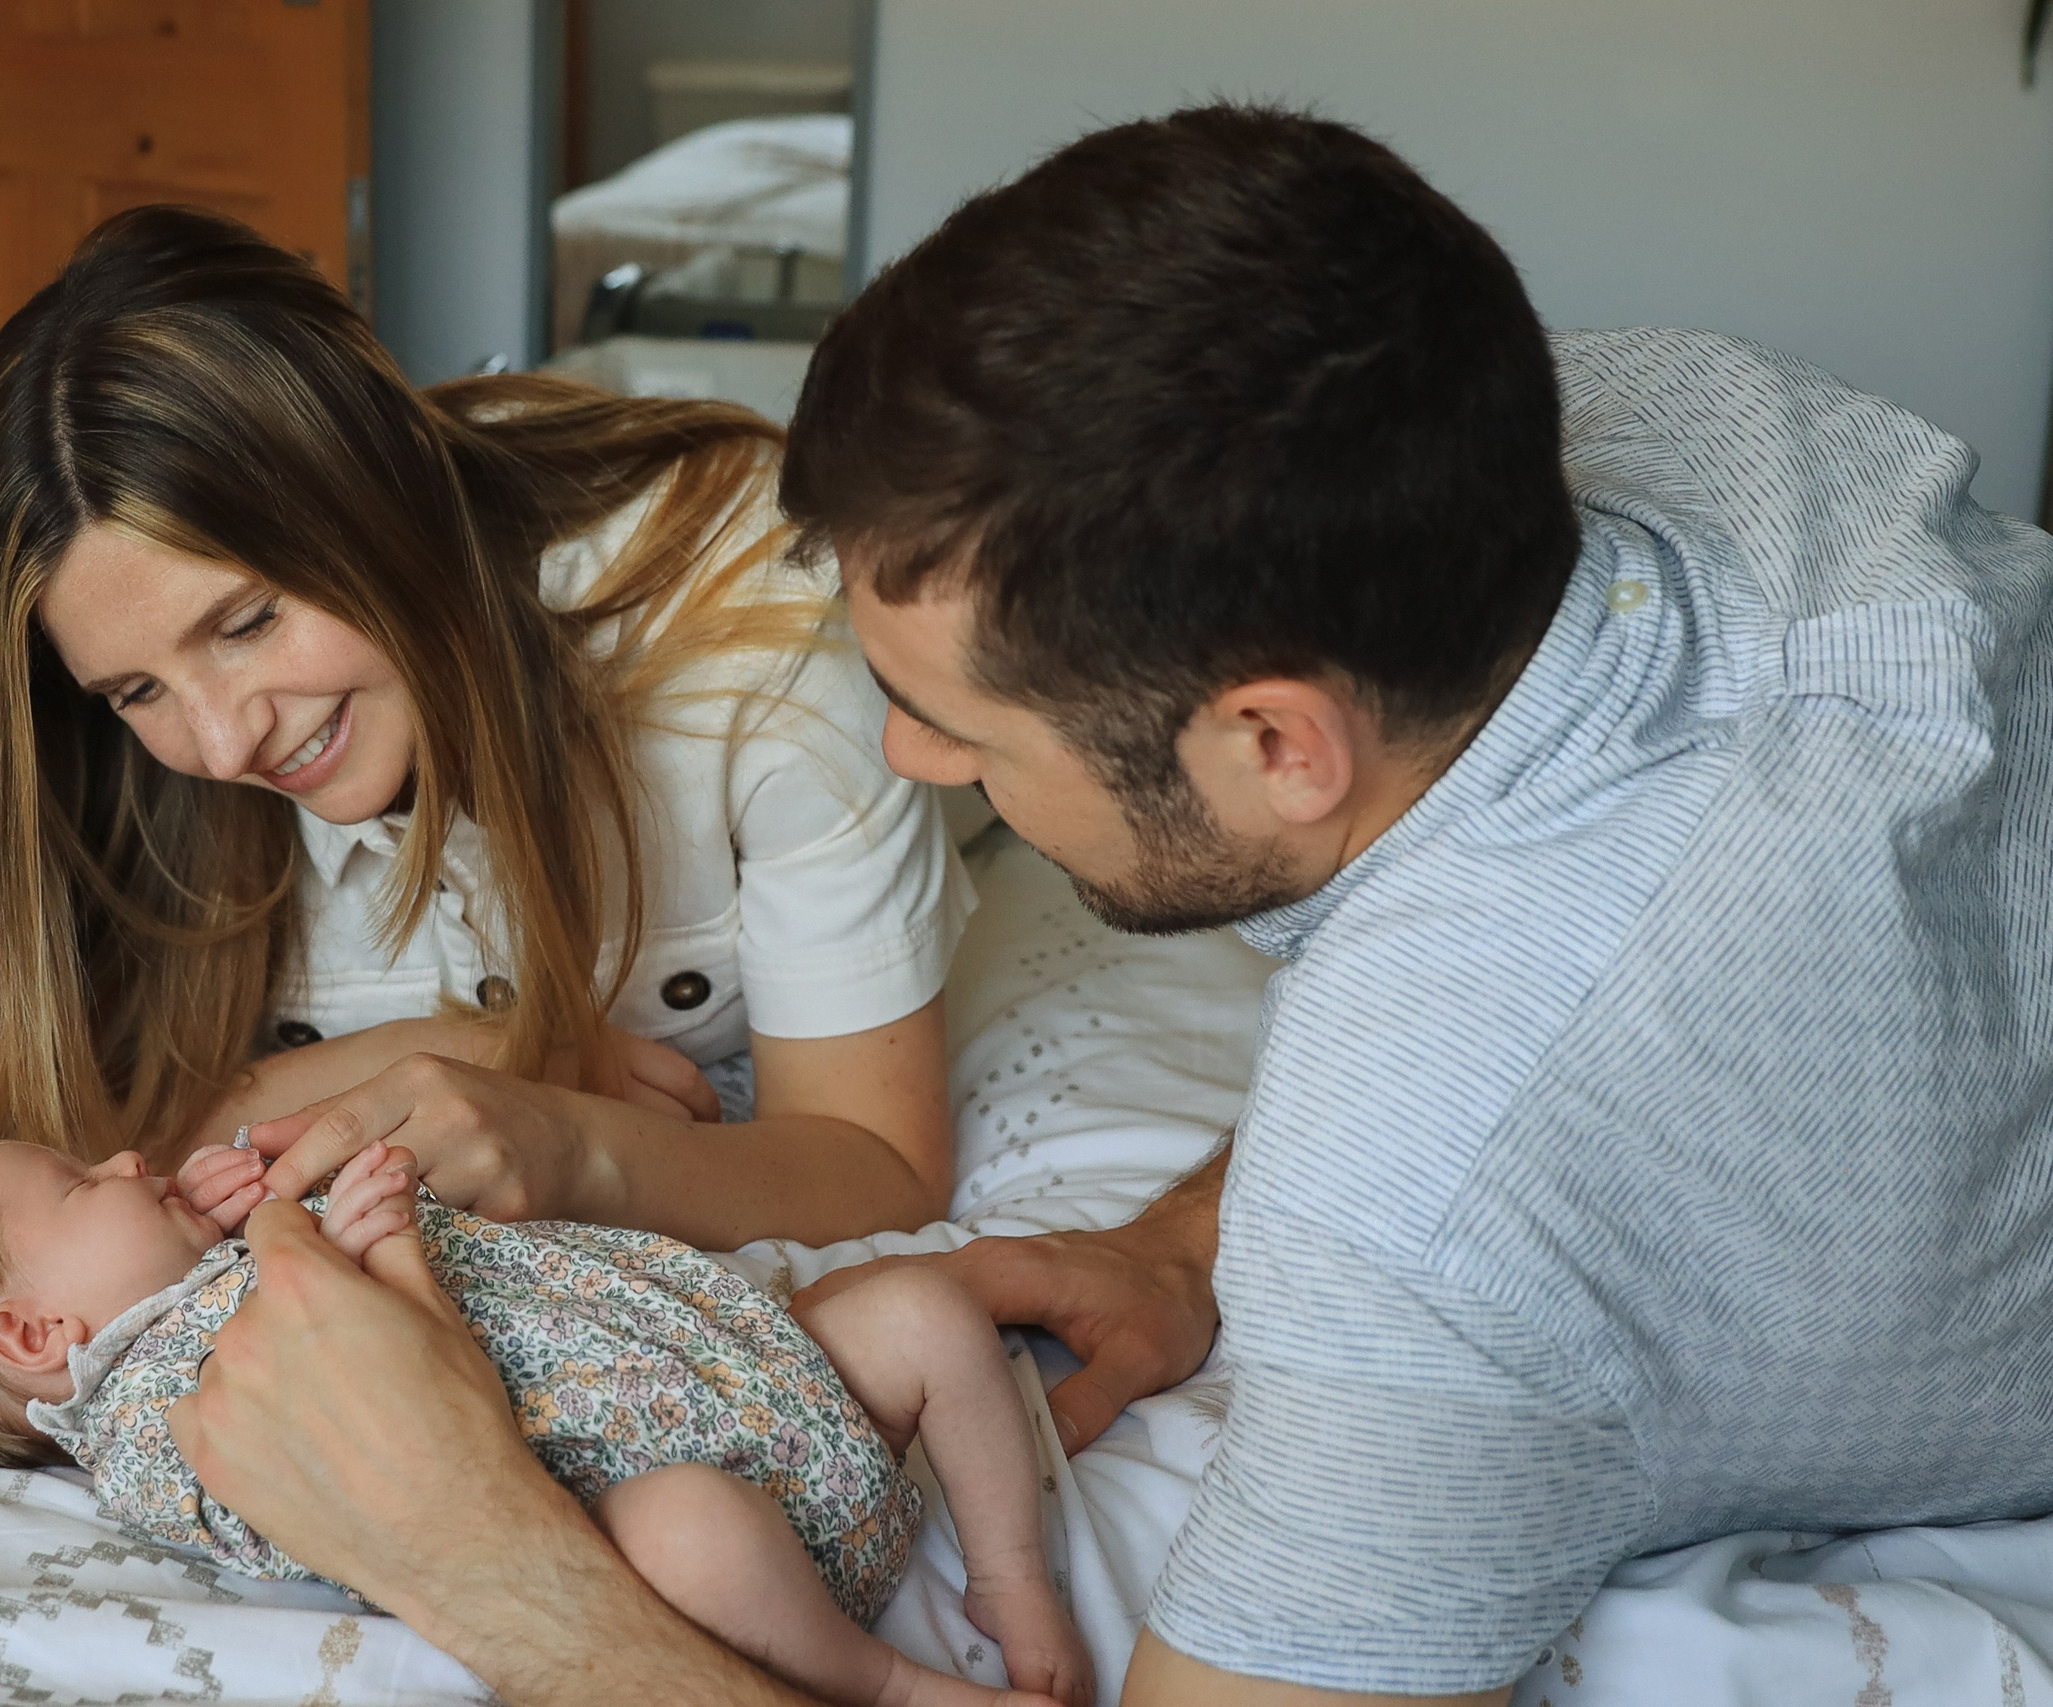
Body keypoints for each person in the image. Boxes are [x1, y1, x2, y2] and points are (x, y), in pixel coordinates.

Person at [158, 102, 2053, 1706]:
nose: (912, 768)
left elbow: (1490, 1151)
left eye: (964, 727)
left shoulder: (1428, 1205)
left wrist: (485, 1562)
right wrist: (1184, 1242)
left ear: (1273, 747)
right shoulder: (1685, 423)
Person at [0, 204, 972, 1254]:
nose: (225, 741)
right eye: (135, 691)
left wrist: (567, 1143)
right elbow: (56, 1132)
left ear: (373, 503)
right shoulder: (135, 772)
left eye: (245, 622)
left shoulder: (754, 640)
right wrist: (449, 1050)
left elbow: (877, 1165)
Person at [0, 1134, 1092, 1707]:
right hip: (711, 1533)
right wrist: (377, 1253)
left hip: (764, 1380)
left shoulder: (209, 1273)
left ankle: (1012, 1580)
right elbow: (383, 1463)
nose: (121, 1162)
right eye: (76, 1181)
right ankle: (890, 1687)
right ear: (33, 1337)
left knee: (924, 1310)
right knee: (687, 1526)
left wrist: (231, 1214)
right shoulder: (175, 1417)